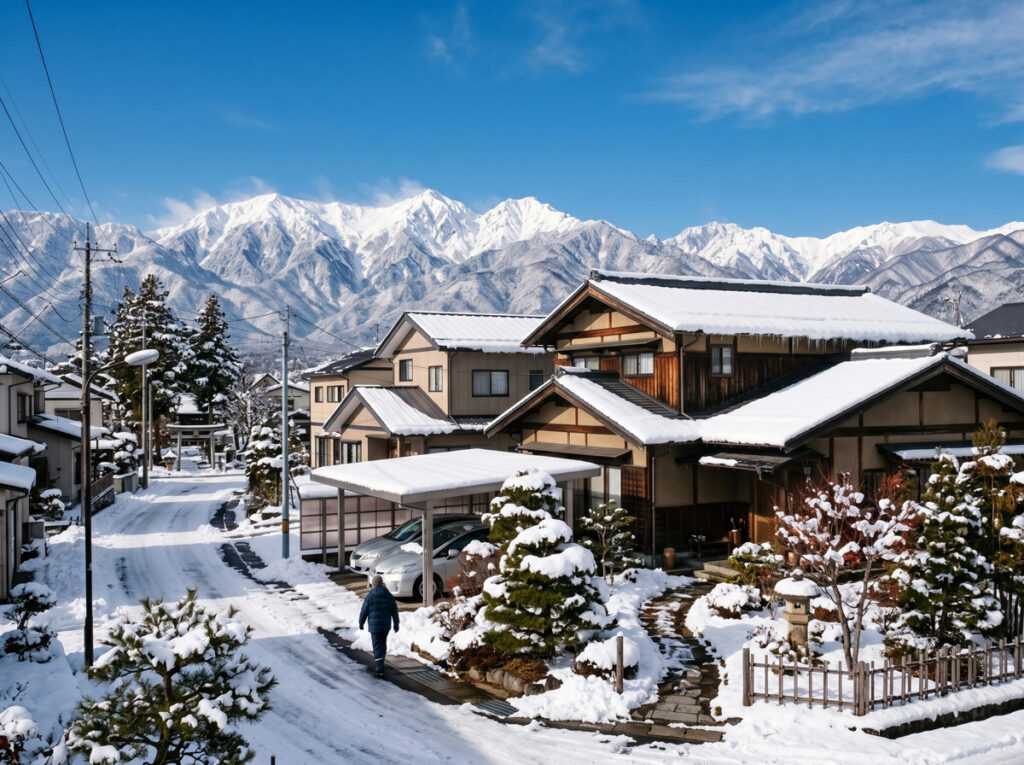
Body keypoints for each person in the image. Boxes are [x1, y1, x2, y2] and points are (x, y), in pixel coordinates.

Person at [359, 575, 400, 677]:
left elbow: (364, 611)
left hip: (374, 627)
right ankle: (381, 662)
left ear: (373, 584)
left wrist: (361, 623)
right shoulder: (389, 596)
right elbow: (394, 611)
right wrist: (396, 624)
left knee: (377, 646)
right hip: (385, 626)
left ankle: (380, 668)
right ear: (382, 584)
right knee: (383, 644)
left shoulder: (369, 597)